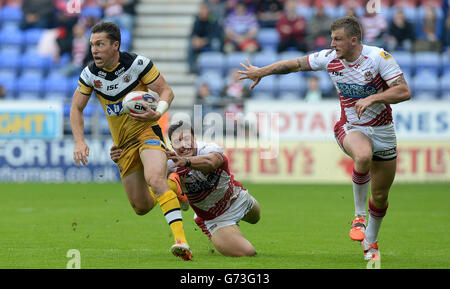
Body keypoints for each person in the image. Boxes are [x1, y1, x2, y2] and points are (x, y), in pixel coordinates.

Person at [238, 16, 411, 261]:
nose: (332, 43)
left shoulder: (378, 58)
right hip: (350, 126)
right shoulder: (329, 59)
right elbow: (295, 64)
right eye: (332, 38)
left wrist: (373, 98)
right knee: (362, 155)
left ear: (354, 40)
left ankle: (371, 242)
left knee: (381, 196)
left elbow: (404, 91)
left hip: (383, 132)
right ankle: (359, 217)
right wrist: (261, 72)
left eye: (337, 39)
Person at [69, 22, 193, 261]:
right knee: (141, 207)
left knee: (155, 179)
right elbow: (76, 108)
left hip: (148, 132)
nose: (94, 50)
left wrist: (158, 112)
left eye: (100, 44)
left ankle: (181, 241)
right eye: (92, 45)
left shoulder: (138, 65)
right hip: (123, 145)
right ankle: (175, 186)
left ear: (115, 45)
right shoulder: (90, 75)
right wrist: (79, 142)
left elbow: (166, 91)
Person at [110, 120, 261, 257]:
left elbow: (211, 162)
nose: (183, 145)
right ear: (172, 145)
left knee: (256, 218)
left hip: (238, 198)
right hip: (215, 218)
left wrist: (186, 161)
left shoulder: (208, 148)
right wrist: (124, 159)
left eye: (187, 138)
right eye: (177, 141)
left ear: (195, 138)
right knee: (248, 253)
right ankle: (205, 218)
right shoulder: (169, 163)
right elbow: (146, 183)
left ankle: (183, 196)